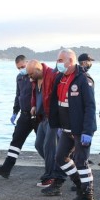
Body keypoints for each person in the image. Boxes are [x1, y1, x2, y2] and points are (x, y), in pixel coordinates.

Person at [41, 49, 98, 200]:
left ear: (70, 61)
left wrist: (87, 131)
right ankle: (80, 187)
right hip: (66, 128)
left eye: (60, 60)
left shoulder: (83, 80)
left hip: (80, 129)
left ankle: (88, 199)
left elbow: (90, 106)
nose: (57, 63)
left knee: (81, 162)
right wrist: (58, 125)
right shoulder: (60, 78)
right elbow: (58, 103)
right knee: (60, 158)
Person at [0, 55, 36, 178]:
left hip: (37, 116)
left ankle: (55, 171)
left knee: (43, 144)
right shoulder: (20, 77)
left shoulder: (36, 76)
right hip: (24, 115)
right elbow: (18, 95)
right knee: (16, 140)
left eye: (22, 66)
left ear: (27, 63)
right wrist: (15, 112)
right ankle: (6, 168)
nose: (21, 69)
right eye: (18, 68)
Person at [28, 58, 66, 188]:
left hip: (52, 118)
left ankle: (50, 177)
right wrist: (33, 106)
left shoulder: (52, 75)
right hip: (42, 118)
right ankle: (58, 168)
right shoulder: (35, 79)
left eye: (31, 74)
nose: (29, 77)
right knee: (39, 145)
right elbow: (35, 95)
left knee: (49, 148)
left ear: (38, 70)